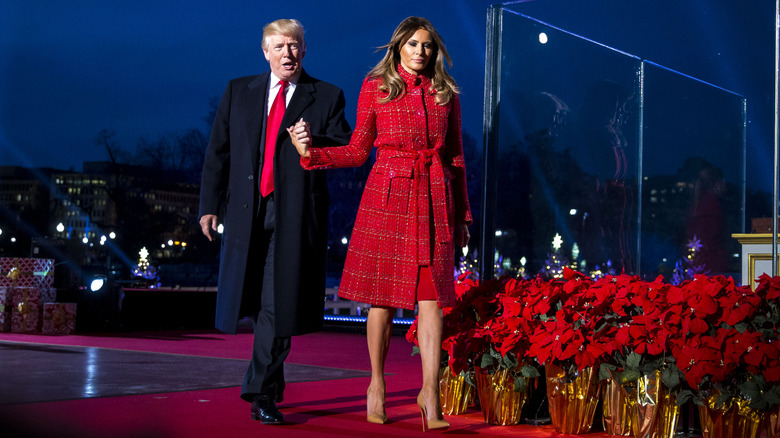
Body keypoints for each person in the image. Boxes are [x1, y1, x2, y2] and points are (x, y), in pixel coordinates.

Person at [288, 16, 471, 431]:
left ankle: (430, 392)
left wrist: (462, 216)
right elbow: (356, 151)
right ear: (398, 47)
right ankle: (376, 385)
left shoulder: (447, 93)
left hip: (435, 197)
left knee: (432, 300)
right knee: (381, 300)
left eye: (427, 45)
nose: (421, 52)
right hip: (387, 197)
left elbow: (456, 156)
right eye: (413, 44)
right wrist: (311, 152)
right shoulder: (377, 87)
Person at [198, 19, 351, 425]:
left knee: (277, 302)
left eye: (295, 46)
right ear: (265, 51)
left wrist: (312, 143)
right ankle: (272, 381)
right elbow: (218, 152)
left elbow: (346, 147)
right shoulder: (238, 91)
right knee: (252, 303)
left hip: (295, 215)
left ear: (305, 50)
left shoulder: (328, 96)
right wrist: (208, 206)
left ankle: (259, 391)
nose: (288, 53)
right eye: (280, 46)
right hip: (247, 213)